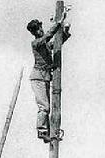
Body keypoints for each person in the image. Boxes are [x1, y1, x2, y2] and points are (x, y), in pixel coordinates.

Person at [26, 9, 71, 142]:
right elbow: (48, 36)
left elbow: (54, 44)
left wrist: (65, 33)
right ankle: (41, 132)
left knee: (48, 107)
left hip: (44, 78)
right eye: (37, 30)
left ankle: (48, 132)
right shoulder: (36, 43)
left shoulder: (43, 43)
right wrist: (59, 22)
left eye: (40, 28)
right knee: (44, 107)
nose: (40, 31)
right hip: (38, 78)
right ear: (34, 33)